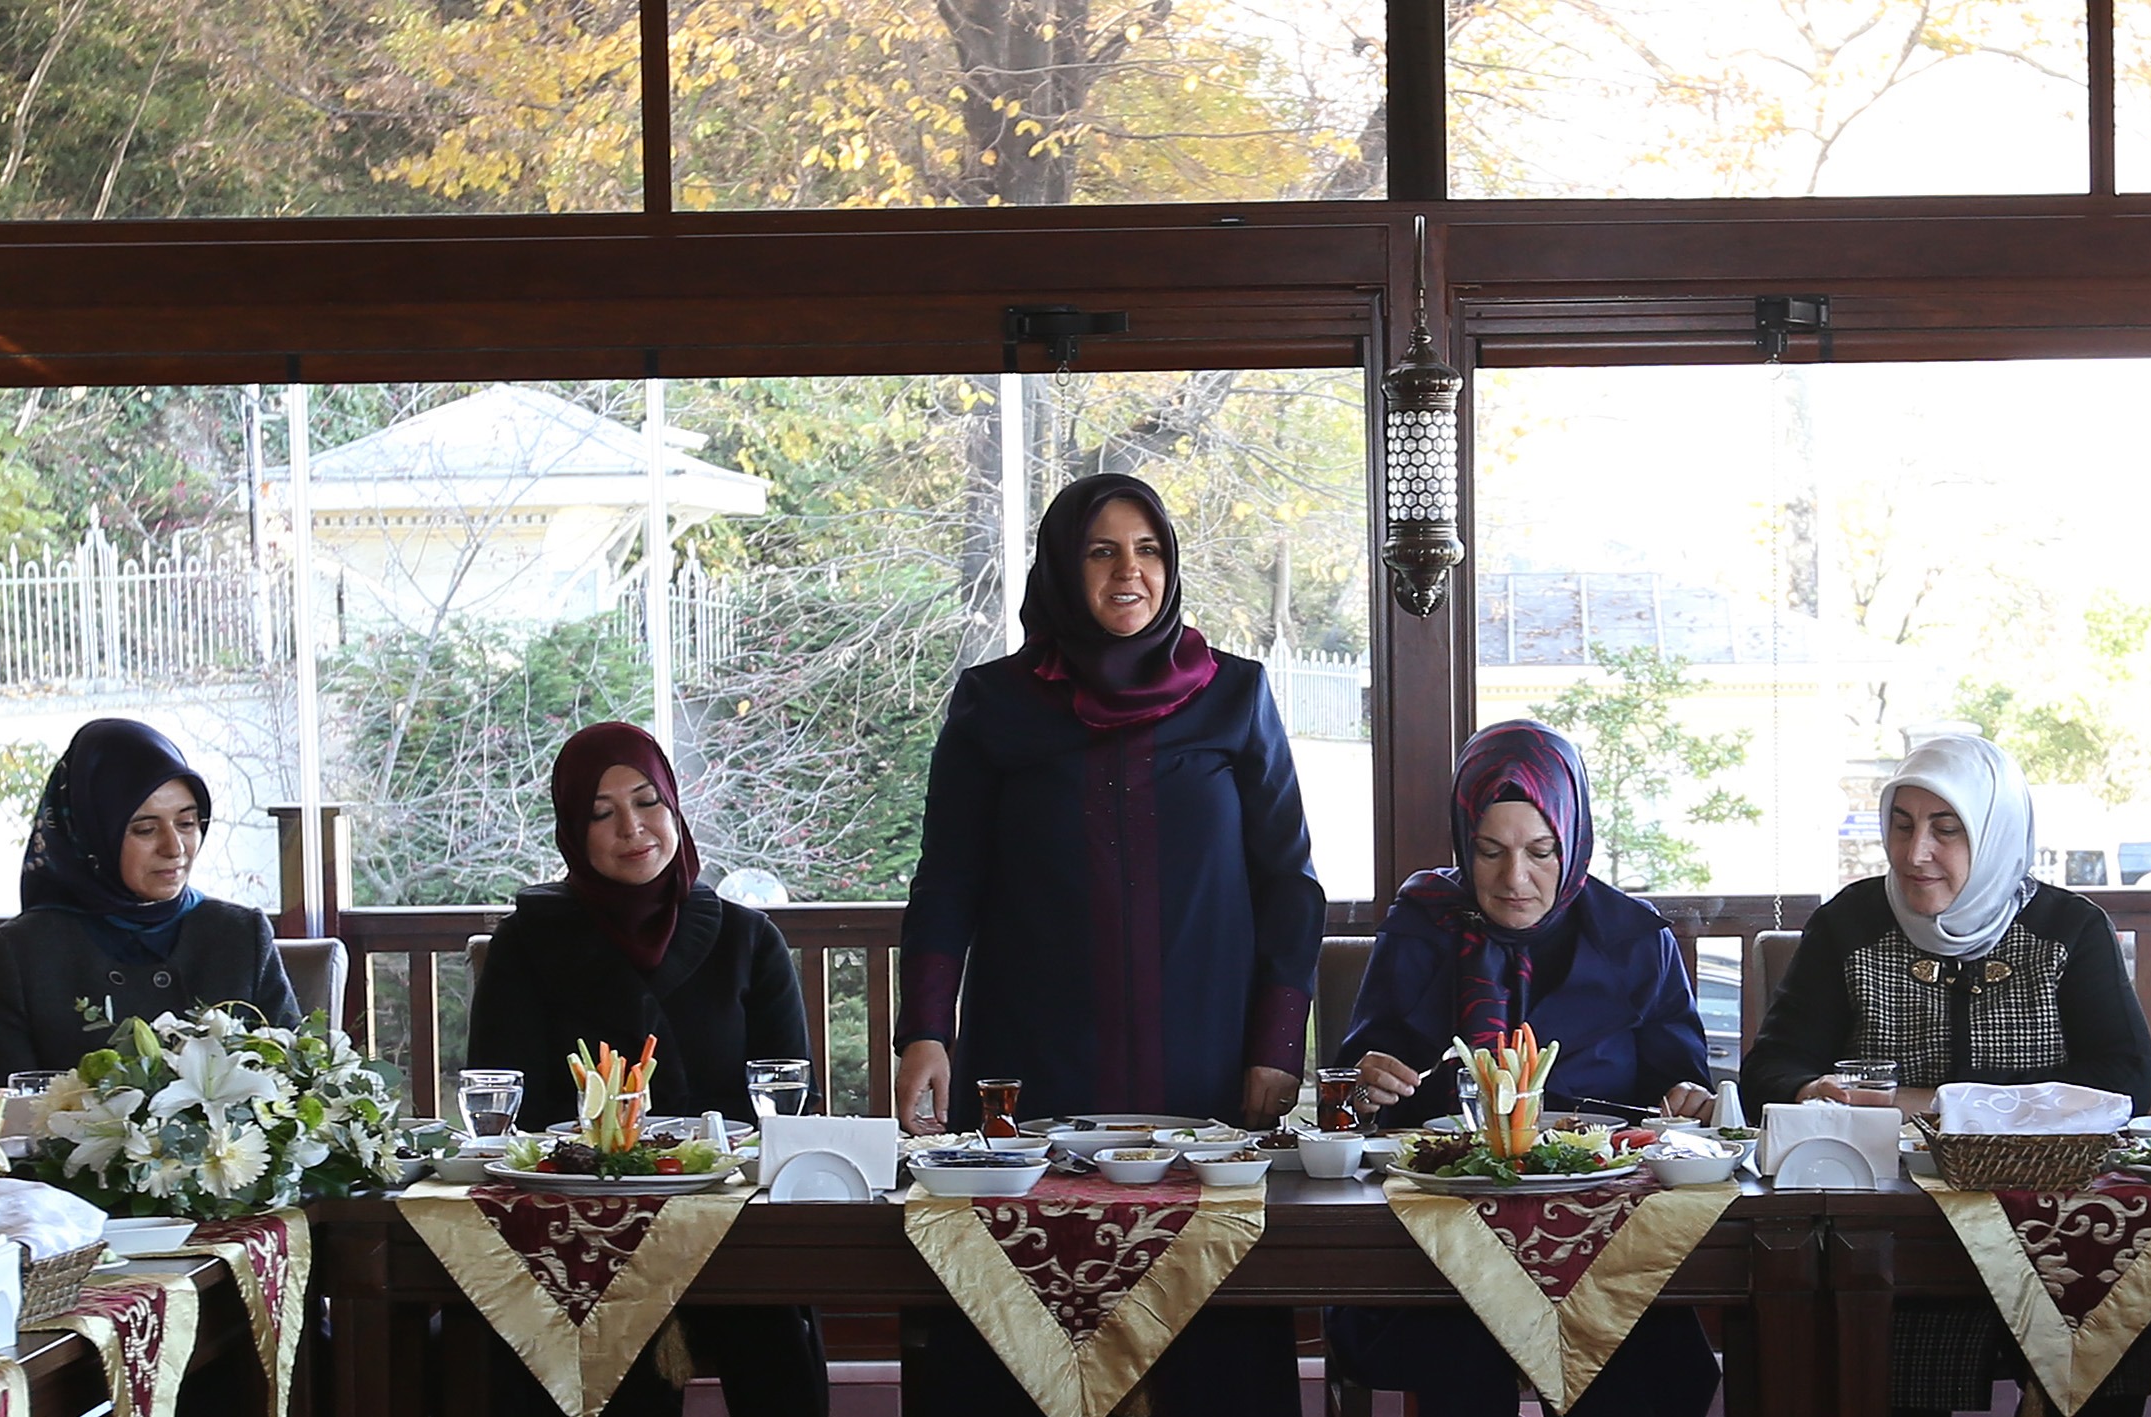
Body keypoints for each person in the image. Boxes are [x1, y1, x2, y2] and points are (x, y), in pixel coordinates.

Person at [890, 472, 1321, 1417]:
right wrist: (924, 1029)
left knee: (1210, 1318)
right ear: (1060, 567)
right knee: (1023, 1311)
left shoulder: (1235, 695)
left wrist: (1275, 1046)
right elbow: (947, 879)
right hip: (1033, 1070)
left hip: (1204, 1070)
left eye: (1148, 549)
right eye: (1101, 551)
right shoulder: (995, 702)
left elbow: (1289, 884)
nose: (1130, 571)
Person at [1741, 733, 2151, 1417]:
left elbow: (2126, 1081)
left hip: (2052, 1209)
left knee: (2105, 1326)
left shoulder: (2068, 929)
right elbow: (1770, 1068)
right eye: (1901, 826)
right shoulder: (1851, 923)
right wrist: (1810, 1091)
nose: (1915, 854)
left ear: (1994, 834)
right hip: (1894, 1221)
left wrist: (1927, 1102)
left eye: (1947, 829)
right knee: (1878, 1338)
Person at [1327, 720, 1718, 1417]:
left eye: (1541, 851)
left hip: (1603, 1234)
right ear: (1462, 840)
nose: (1515, 879)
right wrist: (1363, 1088)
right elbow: (1350, 1102)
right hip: (1442, 1236)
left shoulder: (1632, 937)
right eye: (1489, 851)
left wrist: (1687, 1101)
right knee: (1459, 1339)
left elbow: (1685, 1102)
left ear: (1573, 838)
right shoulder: (1422, 923)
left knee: (1638, 1350)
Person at [468, 721, 827, 1417]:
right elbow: (512, 1106)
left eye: (646, 802)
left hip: (728, 1216)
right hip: (580, 1223)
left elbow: (786, 1102)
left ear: (673, 806)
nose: (632, 829)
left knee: (773, 1318)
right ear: (572, 830)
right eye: (601, 813)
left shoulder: (748, 938)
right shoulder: (528, 942)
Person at [0, 718, 296, 1076]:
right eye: (146, 829)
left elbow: (296, 1078)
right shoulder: (20, 954)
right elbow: (12, 1100)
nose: (174, 848)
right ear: (90, 834)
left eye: (186, 823)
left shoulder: (240, 935)